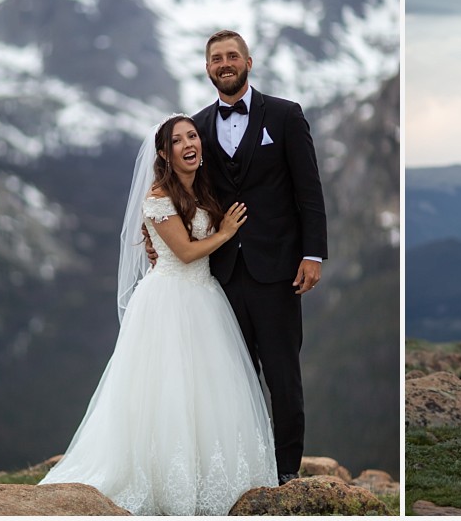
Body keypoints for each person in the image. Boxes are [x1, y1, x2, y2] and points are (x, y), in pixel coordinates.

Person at [40, 115, 277, 515]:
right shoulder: (158, 196)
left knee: (207, 391)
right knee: (169, 391)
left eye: (193, 136)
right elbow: (184, 252)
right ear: (164, 153)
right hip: (169, 300)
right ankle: (168, 481)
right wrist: (225, 233)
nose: (189, 144)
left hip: (205, 298)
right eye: (177, 140)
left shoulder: (202, 187)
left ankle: (209, 475)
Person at [191, 29, 327, 485]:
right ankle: (245, 467)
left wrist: (313, 254)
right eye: (216, 59)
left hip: (278, 270)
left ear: (249, 63)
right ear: (207, 68)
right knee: (233, 375)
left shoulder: (286, 116)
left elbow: (308, 190)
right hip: (221, 272)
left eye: (232, 56)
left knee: (283, 374)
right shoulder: (198, 126)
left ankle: (286, 471)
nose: (224, 64)